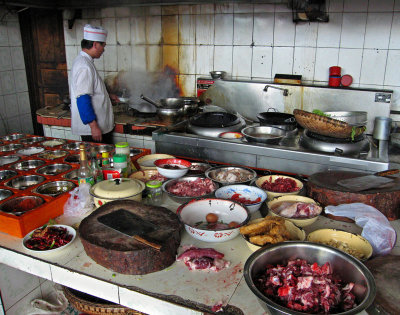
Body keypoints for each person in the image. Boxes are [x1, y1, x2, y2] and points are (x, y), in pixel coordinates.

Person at [69, 24, 118, 144]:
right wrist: (93, 126)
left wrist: (107, 96)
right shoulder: (84, 66)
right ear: (95, 44)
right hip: (92, 131)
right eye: (103, 46)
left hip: (95, 128)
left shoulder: (84, 61)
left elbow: (90, 90)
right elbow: (82, 98)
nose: (104, 50)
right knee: (98, 161)